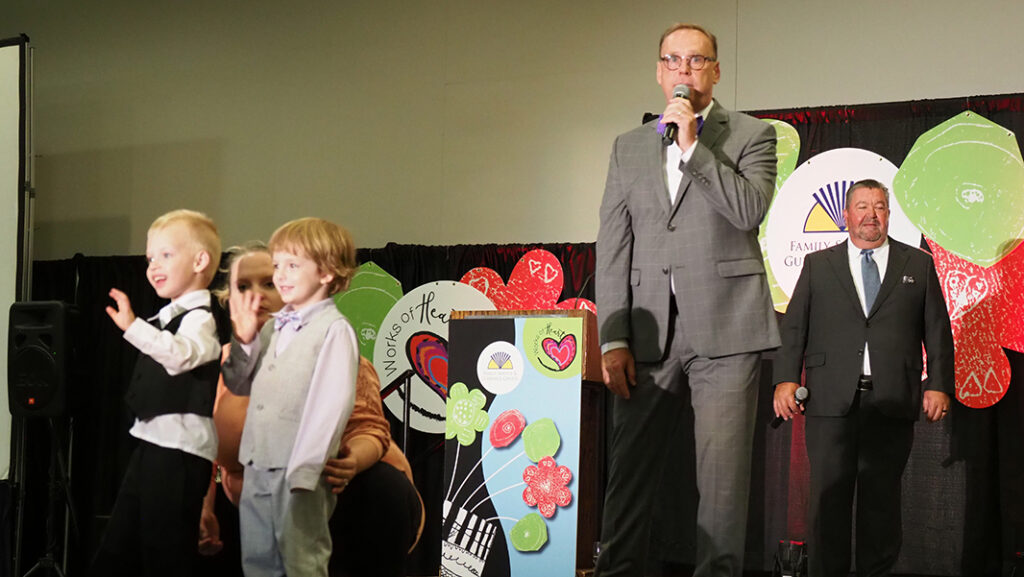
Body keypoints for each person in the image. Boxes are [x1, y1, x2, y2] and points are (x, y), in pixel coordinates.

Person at [595, 23, 779, 577]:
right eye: (673, 60)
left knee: (722, 490)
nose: (684, 71)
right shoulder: (628, 148)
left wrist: (694, 146)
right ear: (658, 71)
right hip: (648, 335)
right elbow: (613, 246)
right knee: (628, 479)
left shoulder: (752, 134)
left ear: (715, 71)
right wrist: (614, 336)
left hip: (727, 332)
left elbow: (749, 211)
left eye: (697, 61)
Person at [199, 243, 423, 577]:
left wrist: (350, 462)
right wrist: (203, 505)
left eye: (269, 283)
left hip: (338, 490)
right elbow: (208, 449)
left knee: (384, 487)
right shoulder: (214, 365)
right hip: (253, 497)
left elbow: (369, 429)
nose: (255, 296)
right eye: (243, 287)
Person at [772, 179, 954, 577]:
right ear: (845, 215)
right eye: (862, 206)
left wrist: (939, 382)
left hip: (891, 401)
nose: (871, 215)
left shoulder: (918, 264)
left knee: (881, 504)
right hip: (829, 402)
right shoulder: (818, 265)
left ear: (888, 213)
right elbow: (794, 330)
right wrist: (785, 378)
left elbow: (937, 330)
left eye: (879, 206)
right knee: (828, 502)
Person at [221, 218, 360, 577]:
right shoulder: (270, 328)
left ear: (327, 272)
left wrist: (306, 470)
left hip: (298, 468)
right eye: (278, 264)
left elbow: (330, 407)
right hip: (257, 461)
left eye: (292, 266)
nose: (280, 275)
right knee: (258, 561)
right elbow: (238, 383)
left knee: (301, 562)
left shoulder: (333, 330)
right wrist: (245, 339)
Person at [92, 209, 222, 577]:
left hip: (178, 454)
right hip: (151, 446)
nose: (153, 266)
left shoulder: (201, 319)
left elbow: (183, 355)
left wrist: (133, 326)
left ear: (200, 260)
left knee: (165, 553)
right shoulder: (166, 318)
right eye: (150, 258)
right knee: (118, 546)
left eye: (166, 255)